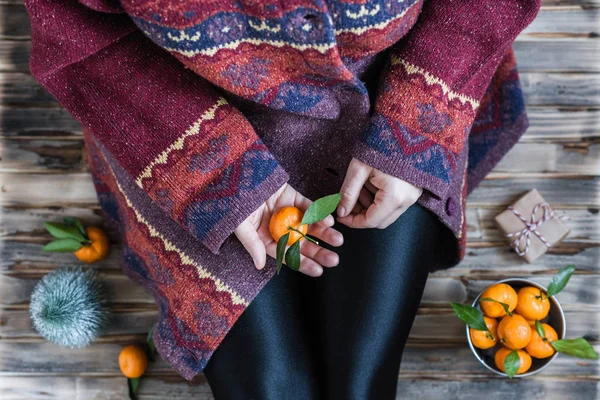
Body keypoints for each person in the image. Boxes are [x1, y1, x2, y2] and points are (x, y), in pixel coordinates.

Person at [24, 0, 541, 398]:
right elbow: (76, 35)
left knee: (360, 385)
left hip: (381, 88)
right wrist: (218, 174)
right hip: (174, 116)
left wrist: (413, 126)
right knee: (270, 389)